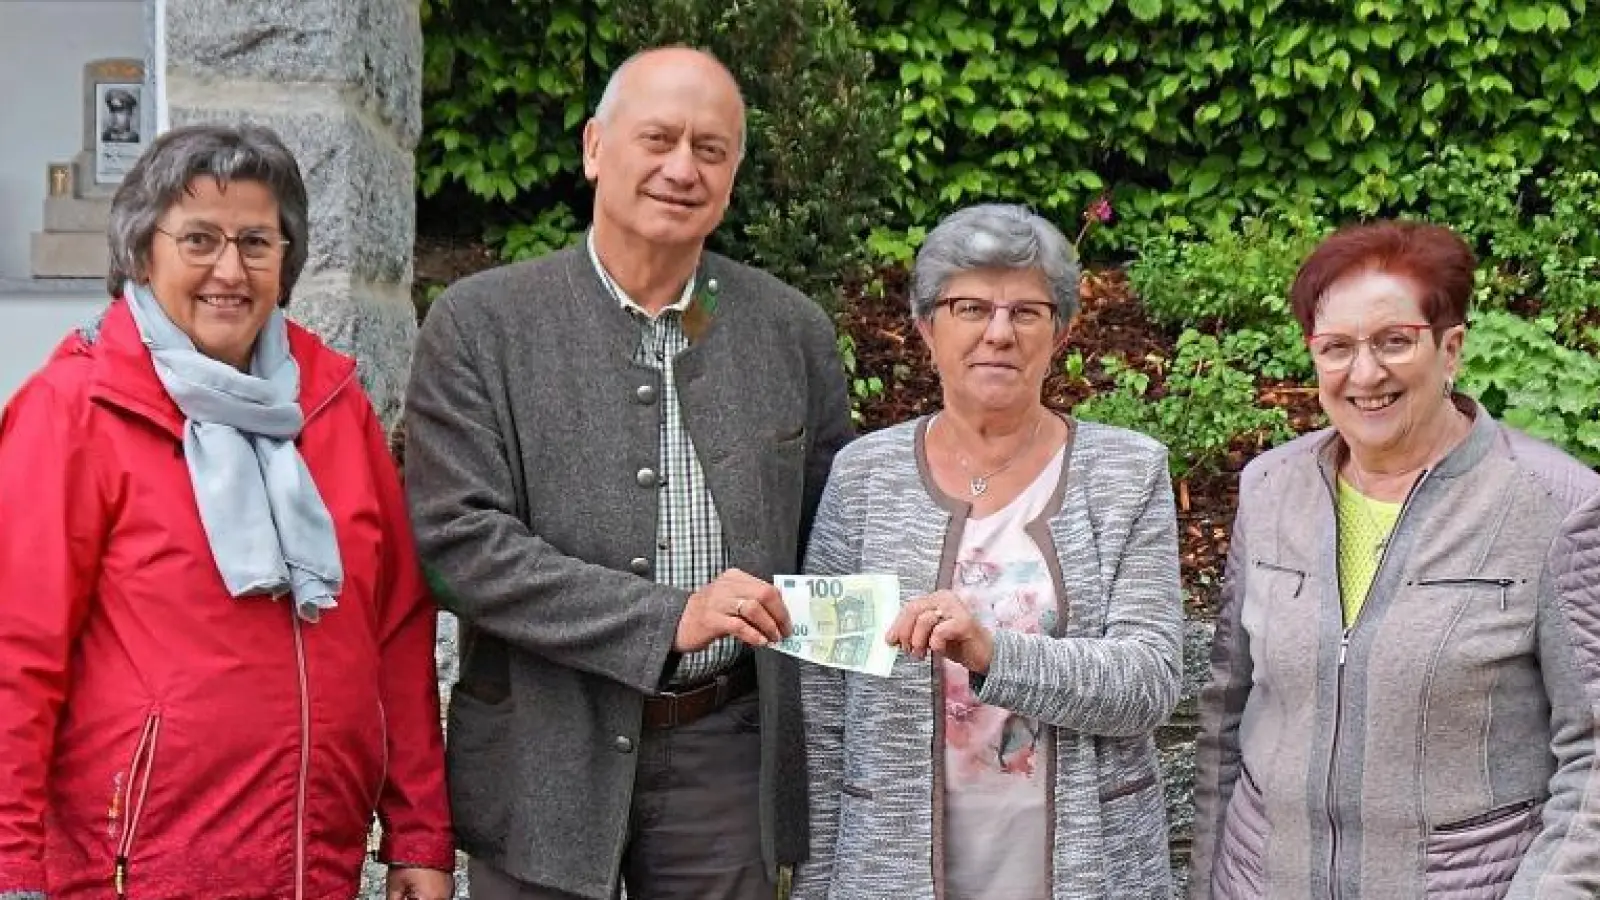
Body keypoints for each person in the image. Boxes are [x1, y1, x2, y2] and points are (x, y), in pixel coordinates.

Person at [403, 47, 852, 900]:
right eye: (658, 138)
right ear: (595, 148)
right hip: (541, 754)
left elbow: (827, 540)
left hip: (726, 751)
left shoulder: (789, 331)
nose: (683, 168)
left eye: (711, 149)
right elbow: (457, 545)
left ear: (732, 174)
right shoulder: (483, 325)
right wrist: (666, 618)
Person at [0, 124, 455, 900]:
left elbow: (396, 627)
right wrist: (10, 871)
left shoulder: (331, 404)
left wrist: (419, 834)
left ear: (287, 261)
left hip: (312, 865)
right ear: (143, 253)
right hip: (132, 873)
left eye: (256, 241)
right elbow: (15, 654)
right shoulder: (73, 409)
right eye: (199, 239)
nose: (229, 270)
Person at [1188, 220, 1600, 899]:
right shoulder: (1269, 490)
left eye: (1394, 342)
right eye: (1337, 348)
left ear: (1451, 348)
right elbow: (1226, 718)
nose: (1365, 373)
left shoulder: (1554, 506)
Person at [794, 203, 1184, 900]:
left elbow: (1149, 683)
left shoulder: (1129, 473)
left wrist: (990, 652)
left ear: (1060, 332)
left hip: (1086, 869)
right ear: (925, 327)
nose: (998, 333)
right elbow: (824, 709)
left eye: (1027, 311)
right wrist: (825, 879)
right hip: (895, 870)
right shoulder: (863, 477)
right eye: (970, 307)